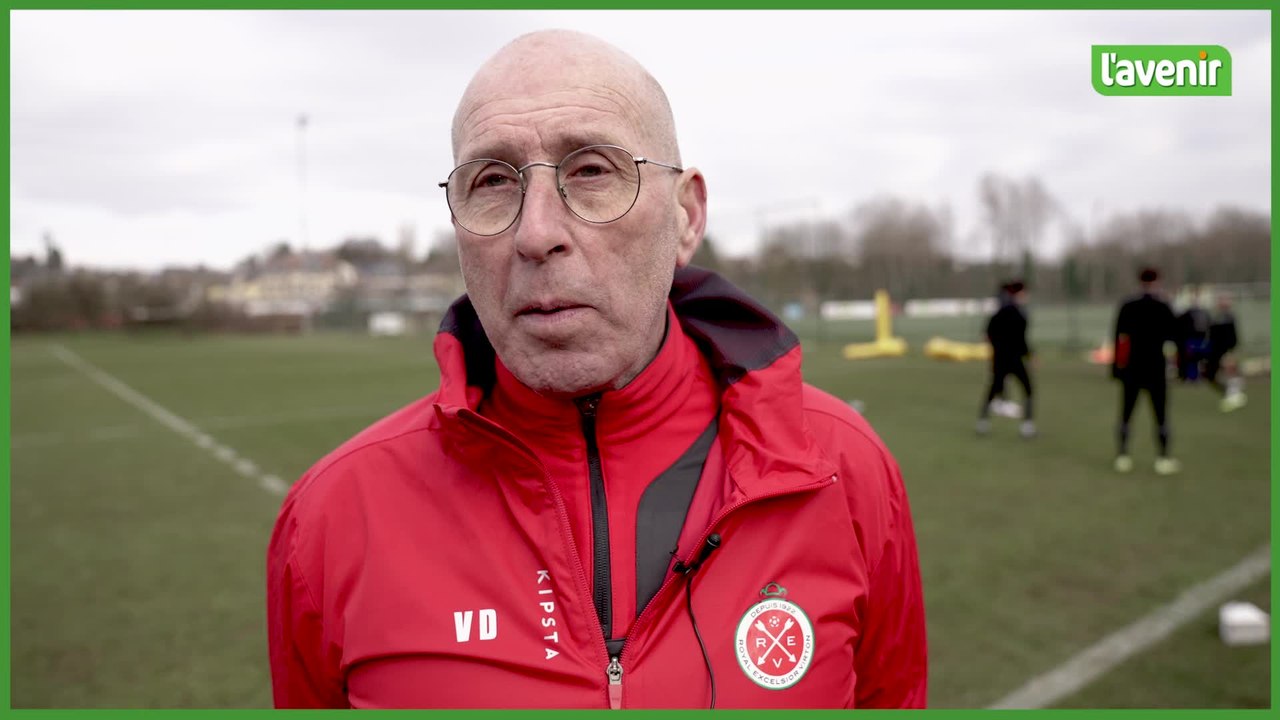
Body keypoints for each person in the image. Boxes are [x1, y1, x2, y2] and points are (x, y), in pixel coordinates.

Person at [266, 30, 926, 709]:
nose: (535, 233)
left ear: (686, 215)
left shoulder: (847, 469)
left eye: (590, 170)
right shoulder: (331, 517)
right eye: (492, 181)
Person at [1111, 267, 1179, 475]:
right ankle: (1163, 458)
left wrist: (1117, 368)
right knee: (1160, 415)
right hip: (1155, 369)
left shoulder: (1128, 306)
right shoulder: (1163, 306)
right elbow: (1174, 338)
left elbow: (1119, 338)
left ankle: (1122, 456)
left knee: (1126, 413)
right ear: (1156, 281)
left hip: (1132, 368)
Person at [976, 280, 1035, 439]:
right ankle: (1027, 426)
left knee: (993, 390)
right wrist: (1029, 354)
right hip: (1014, 359)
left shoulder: (997, 314)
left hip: (1000, 359)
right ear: (1019, 294)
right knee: (1028, 390)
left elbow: (988, 334)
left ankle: (982, 423)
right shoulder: (1020, 314)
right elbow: (1022, 340)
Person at [1204, 293, 1247, 412]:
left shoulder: (1230, 318)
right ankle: (1231, 393)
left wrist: (1231, 352)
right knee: (1211, 375)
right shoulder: (1216, 318)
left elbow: (1233, 337)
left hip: (1226, 351)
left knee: (1230, 373)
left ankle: (1234, 396)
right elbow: (1211, 335)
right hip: (1215, 351)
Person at [1175, 289, 1211, 382]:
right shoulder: (1188, 313)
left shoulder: (1204, 313)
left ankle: (1199, 376)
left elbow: (1207, 326)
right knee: (1191, 358)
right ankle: (1191, 376)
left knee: (1199, 358)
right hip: (1190, 339)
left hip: (1201, 339)